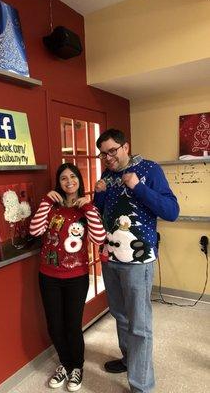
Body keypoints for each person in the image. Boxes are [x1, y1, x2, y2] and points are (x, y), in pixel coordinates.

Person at [93, 129, 179, 393]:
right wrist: (98, 194)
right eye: (103, 153)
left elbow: (171, 211)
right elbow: (103, 214)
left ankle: (142, 385)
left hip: (138, 261)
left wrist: (138, 187)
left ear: (125, 146)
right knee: (120, 315)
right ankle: (129, 358)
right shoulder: (108, 175)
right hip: (109, 257)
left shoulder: (149, 169)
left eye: (112, 151)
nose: (107, 158)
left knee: (139, 324)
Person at [30, 163, 106, 392]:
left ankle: (77, 367)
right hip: (49, 275)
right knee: (55, 325)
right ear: (58, 183)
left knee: (72, 325)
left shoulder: (85, 208)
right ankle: (64, 363)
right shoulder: (50, 207)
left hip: (76, 277)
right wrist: (45, 202)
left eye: (73, 177)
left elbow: (99, 238)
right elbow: (35, 231)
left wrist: (90, 209)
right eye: (63, 178)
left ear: (79, 181)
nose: (69, 182)